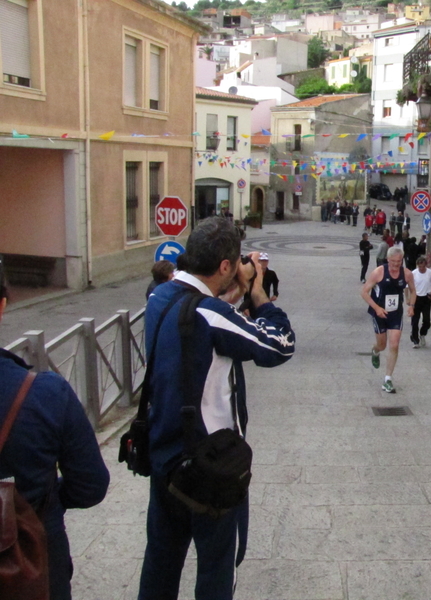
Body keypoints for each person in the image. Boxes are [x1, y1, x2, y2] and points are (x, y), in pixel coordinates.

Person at [137, 217, 295, 600]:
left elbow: (201, 313)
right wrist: (256, 291)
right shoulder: (212, 315)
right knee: (217, 573)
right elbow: (280, 345)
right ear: (225, 266)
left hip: (163, 459)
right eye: (235, 263)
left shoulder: (158, 296)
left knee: (160, 566)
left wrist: (235, 288)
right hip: (210, 468)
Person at [0, 258, 110, 600]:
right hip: (31, 563)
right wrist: (45, 499)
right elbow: (91, 485)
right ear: (2, 304)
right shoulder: (45, 393)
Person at [362, 246, 416, 393]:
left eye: (399, 262)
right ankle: (375, 350)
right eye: (393, 262)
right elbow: (364, 292)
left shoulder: (407, 274)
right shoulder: (379, 272)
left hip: (395, 313)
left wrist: (411, 305)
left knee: (394, 344)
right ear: (387, 259)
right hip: (379, 313)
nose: (396, 265)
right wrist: (377, 308)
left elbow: (413, 290)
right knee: (382, 345)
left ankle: (388, 379)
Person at [410, 256, 431, 348]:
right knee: (415, 321)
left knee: (427, 320)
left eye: (423, 266)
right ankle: (415, 340)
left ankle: (422, 333)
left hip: (426, 298)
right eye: (419, 267)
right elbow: (408, 286)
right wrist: (408, 298)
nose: (421, 268)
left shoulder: (430, 273)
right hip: (416, 298)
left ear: (425, 265)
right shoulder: (413, 273)